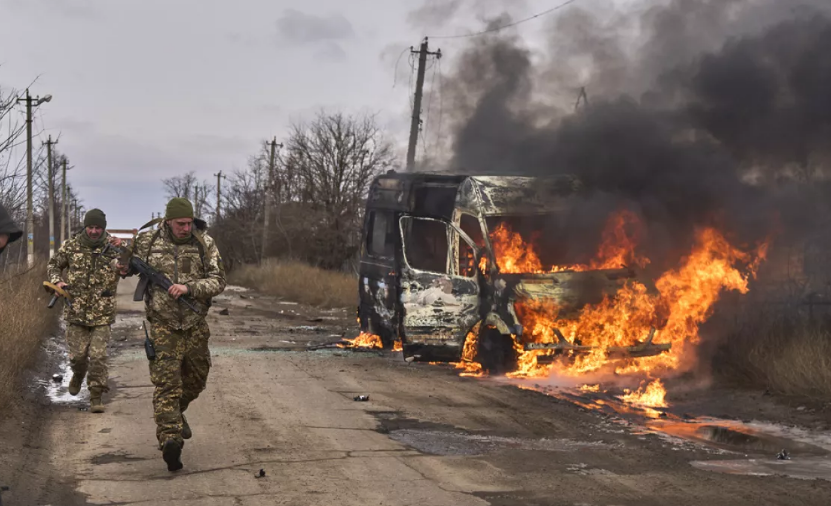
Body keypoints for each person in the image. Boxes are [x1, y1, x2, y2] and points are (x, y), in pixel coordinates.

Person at [122, 198, 225, 472]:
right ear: (168, 221)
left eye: (189, 223)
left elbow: (219, 280)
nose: (185, 228)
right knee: (167, 386)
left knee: (196, 380)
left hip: (194, 324)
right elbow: (123, 268)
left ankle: (174, 417)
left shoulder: (204, 243)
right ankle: (170, 440)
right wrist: (121, 264)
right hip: (163, 326)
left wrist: (189, 288)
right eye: (180, 223)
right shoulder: (146, 242)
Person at [46, 209, 121, 413]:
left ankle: (96, 396)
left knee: (98, 356)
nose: (95, 231)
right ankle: (78, 374)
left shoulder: (113, 248)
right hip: (76, 311)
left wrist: (124, 251)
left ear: (103, 228)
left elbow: (128, 266)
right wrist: (57, 281)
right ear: (86, 226)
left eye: (98, 228)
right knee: (78, 357)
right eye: (91, 227)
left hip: (102, 314)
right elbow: (53, 265)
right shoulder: (71, 246)